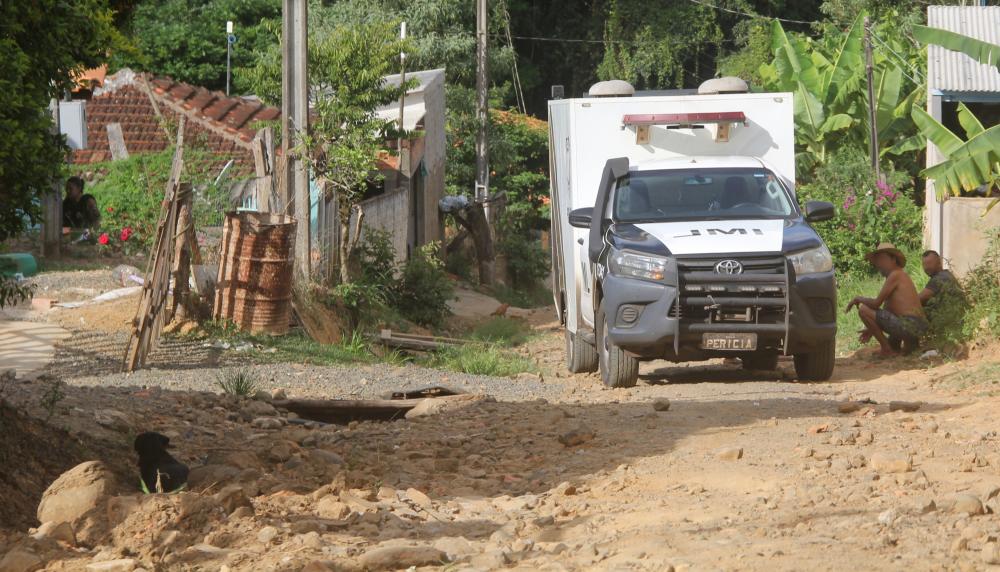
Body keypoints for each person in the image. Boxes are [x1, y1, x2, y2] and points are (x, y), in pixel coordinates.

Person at [845, 242, 928, 356]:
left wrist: (858, 299)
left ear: (893, 259)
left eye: (882, 259)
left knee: (864, 310)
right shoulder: (899, 276)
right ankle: (902, 346)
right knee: (900, 348)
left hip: (910, 325)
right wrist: (871, 329)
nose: (878, 264)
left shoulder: (895, 275)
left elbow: (875, 304)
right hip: (915, 326)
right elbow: (886, 311)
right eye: (877, 261)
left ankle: (886, 349)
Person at [919, 250, 966, 329]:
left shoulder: (940, 278)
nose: (926, 267)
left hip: (951, 320)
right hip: (953, 317)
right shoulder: (945, 274)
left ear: (939, 262)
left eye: (929, 263)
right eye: (924, 264)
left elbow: (919, 299)